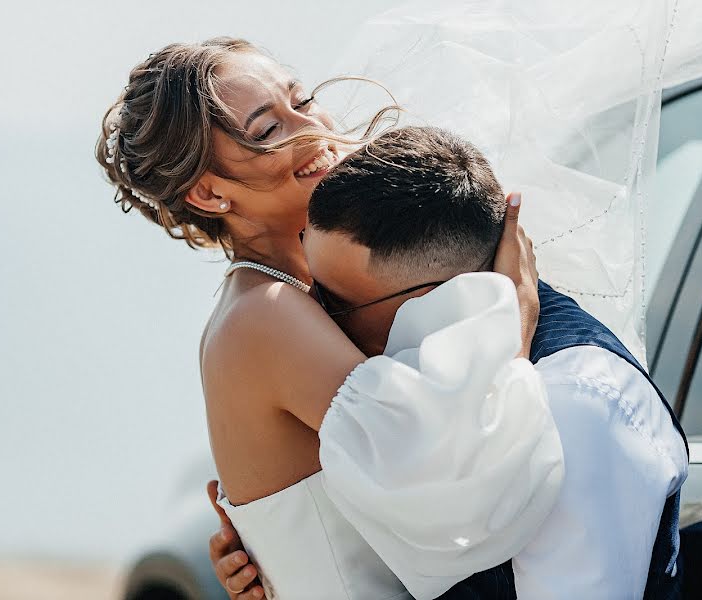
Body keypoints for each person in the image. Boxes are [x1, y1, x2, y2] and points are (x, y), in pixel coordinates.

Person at [97, 39, 545, 600]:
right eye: (266, 131)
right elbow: (452, 478)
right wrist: (514, 311)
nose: (312, 128)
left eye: (301, 100)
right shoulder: (264, 315)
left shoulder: (308, 292)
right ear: (209, 192)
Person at [209, 126, 688, 599]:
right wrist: (281, 558)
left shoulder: (576, 405)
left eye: (333, 300)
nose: (315, 320)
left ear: (427, 297)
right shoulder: (421, 388)